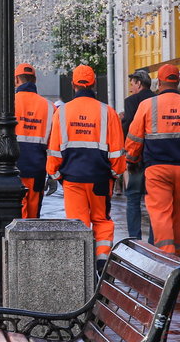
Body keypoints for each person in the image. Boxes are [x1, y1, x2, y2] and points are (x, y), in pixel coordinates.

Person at [125, 64, 180, 257]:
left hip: (157, 169)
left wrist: (131, 160)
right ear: (178, 82)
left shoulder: (148, 105)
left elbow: (134, 137)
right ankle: (178, 255)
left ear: (159, 83)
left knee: (160, 214)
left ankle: (166, 258)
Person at [47, 65, 126, 273]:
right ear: (94, 85)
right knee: (101, 220)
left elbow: (54, 149)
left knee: (78, 224)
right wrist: (115, 174)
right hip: (100, 178)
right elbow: (117, 152)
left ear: (73, 85)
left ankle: (80, 267)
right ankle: (101, 259)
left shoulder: (62, 112)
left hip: (72, 178)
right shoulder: (107, 112)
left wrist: (56, 174)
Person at [13, 62, 55, 218]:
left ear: (16, 80)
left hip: (12, 170)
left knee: (15, 215)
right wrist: (52, 174)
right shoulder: (50, 107)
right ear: (34, 81)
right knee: (32, 216)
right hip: (37, 170)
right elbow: (53, 145)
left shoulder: (9, 103)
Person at [122, 69, 156, 239]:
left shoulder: (132, 101)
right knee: (155, 201)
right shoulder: (158, 101)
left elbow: (129, 127)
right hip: (155, 158)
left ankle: (135, 238)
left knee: (133, 197)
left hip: (137, 158)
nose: (131, 88)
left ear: (138, 83)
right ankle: (153, 241)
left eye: (132, 84)